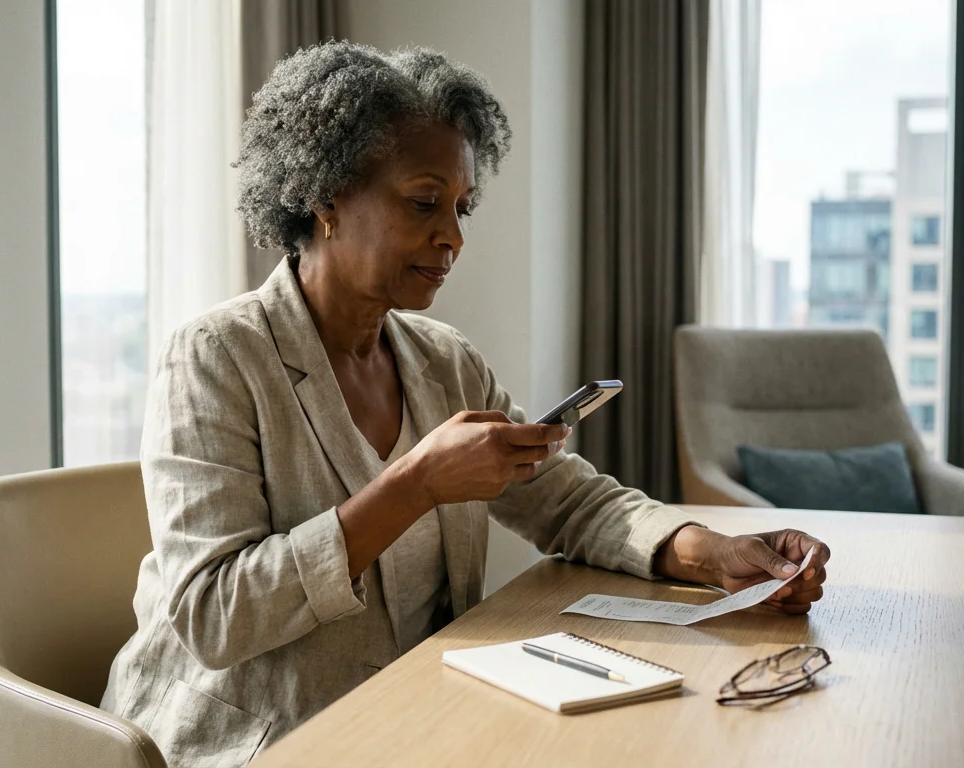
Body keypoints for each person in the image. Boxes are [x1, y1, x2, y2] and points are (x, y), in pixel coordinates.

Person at [101, 41, 830, 766]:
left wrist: (713, 555)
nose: (451, 236)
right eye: (424, 202)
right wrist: (414, 485)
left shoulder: (443, 361)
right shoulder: (216, 357)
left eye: (461, 207)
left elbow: (570, 504)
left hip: (416, 720)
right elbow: (215, 616)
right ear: (326, 196)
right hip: (253, 742)